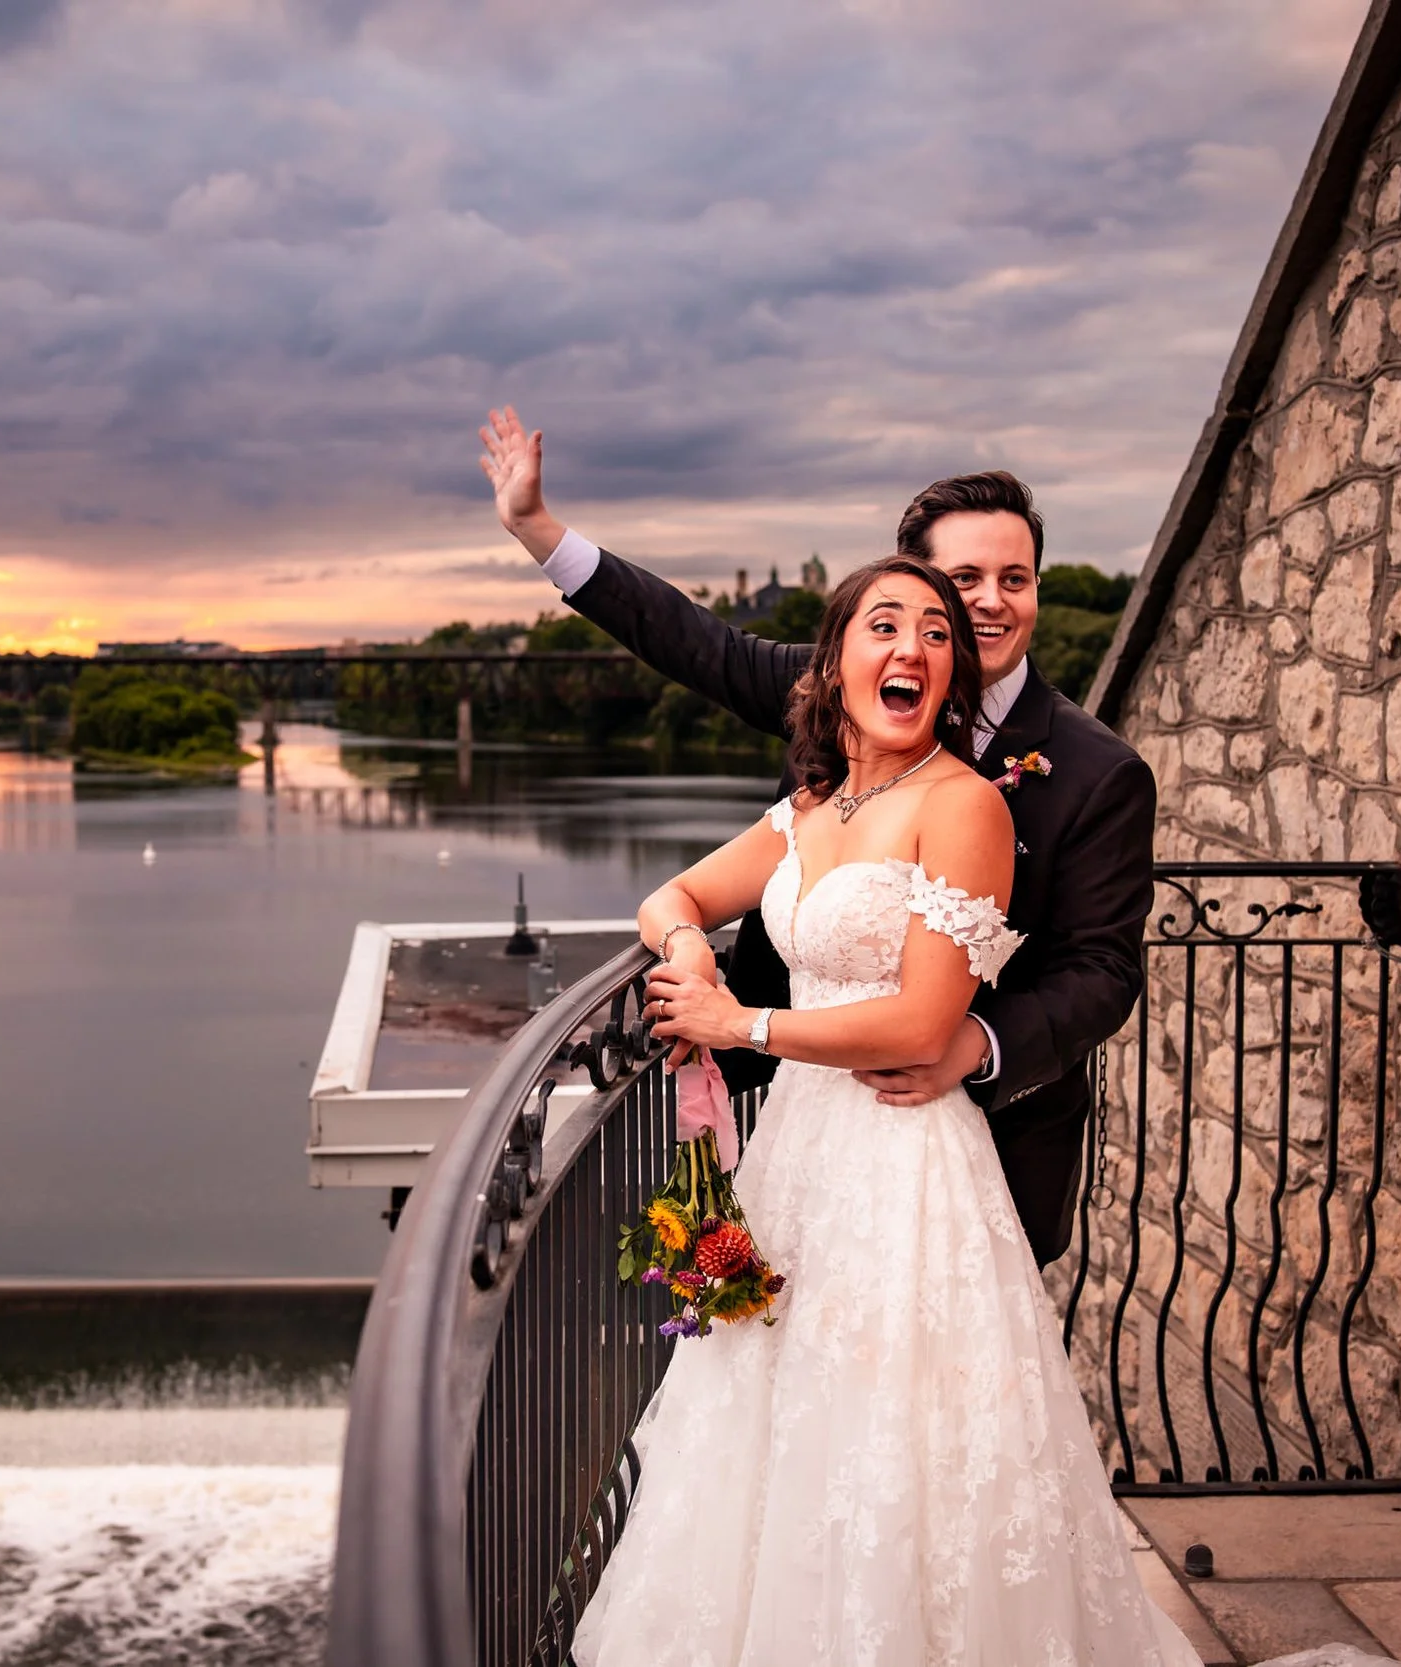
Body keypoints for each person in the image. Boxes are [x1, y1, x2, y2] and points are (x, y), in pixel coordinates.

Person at [565, 553, 1198, 1664]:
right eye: (884, 625)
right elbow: (670, 895)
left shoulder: (964, 807)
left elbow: (918, 1022)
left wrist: (740, 1026)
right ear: (837, 659)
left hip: (905, 1161)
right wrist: (687, 958)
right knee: (775, 1420)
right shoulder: (812, 805)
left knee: (895, 1438)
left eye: (936, 636)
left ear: (949, 678)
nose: (910, 648)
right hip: (798, 1159)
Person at [479, 405, 1152, 1265]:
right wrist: (539, 531)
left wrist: (972, 1048)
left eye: (1014, 578)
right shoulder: (838, 689)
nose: (990, 600)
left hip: (996, 1137)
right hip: (816, 1125)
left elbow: (1103, 969)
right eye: (966, 577)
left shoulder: (1100, 771)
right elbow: (693, 642)